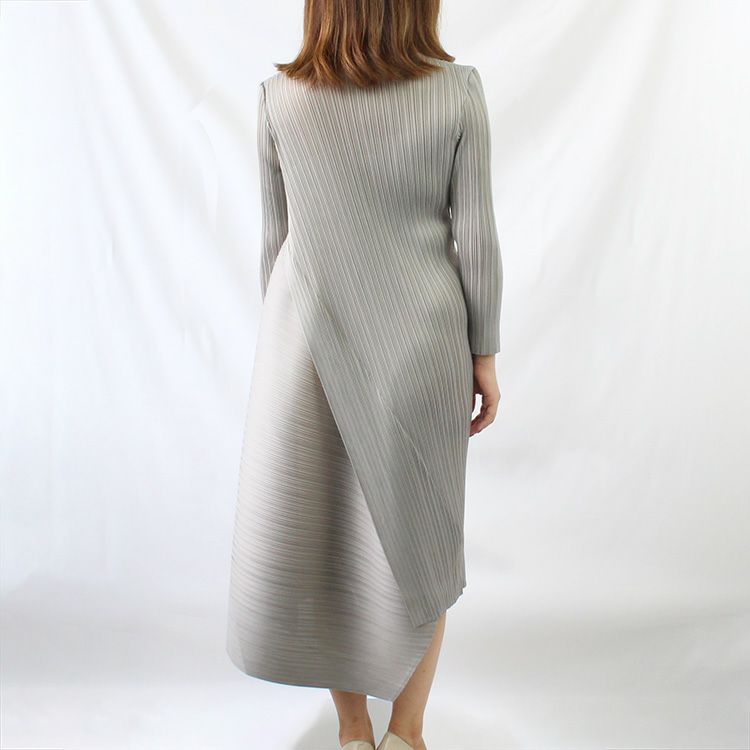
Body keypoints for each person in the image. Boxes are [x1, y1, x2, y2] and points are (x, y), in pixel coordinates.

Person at [225, 1, 503, 748]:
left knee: (327, 541)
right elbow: (475, 233)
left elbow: (276, 241)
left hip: (307, 344)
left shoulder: (280, 100)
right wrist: (484, 352)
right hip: (424, 343)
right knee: (420, 540)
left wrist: (284, 348)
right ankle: (406, 733)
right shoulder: (457, 92)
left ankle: (353, 731)